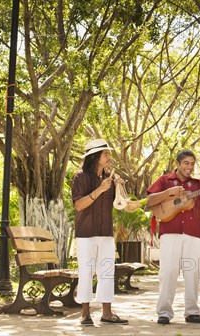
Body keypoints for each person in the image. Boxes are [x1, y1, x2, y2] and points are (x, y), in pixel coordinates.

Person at [146, 149, 200, 325]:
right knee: (168, 271)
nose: (189, 167)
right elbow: (150, 201)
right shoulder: (165, 180)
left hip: (193, 233)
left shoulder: (198, 183)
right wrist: (169, 193)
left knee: (193, 272)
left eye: (192, 163)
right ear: (178, 164)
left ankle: (192, 311)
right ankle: (164, 312)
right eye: (186, 163)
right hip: (170, 231)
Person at [71, 138, 128, 325]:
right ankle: (85, 313)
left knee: (106, 272)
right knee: (86, 271)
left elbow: (119, 205)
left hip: (105, 233)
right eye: (106, 154)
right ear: (95, 156)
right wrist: (100, 189)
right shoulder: (80, 177)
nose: (109, 157)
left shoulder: (109, 179)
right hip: (85, 233)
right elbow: (79, 205)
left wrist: (119, 187)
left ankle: (107, 313)